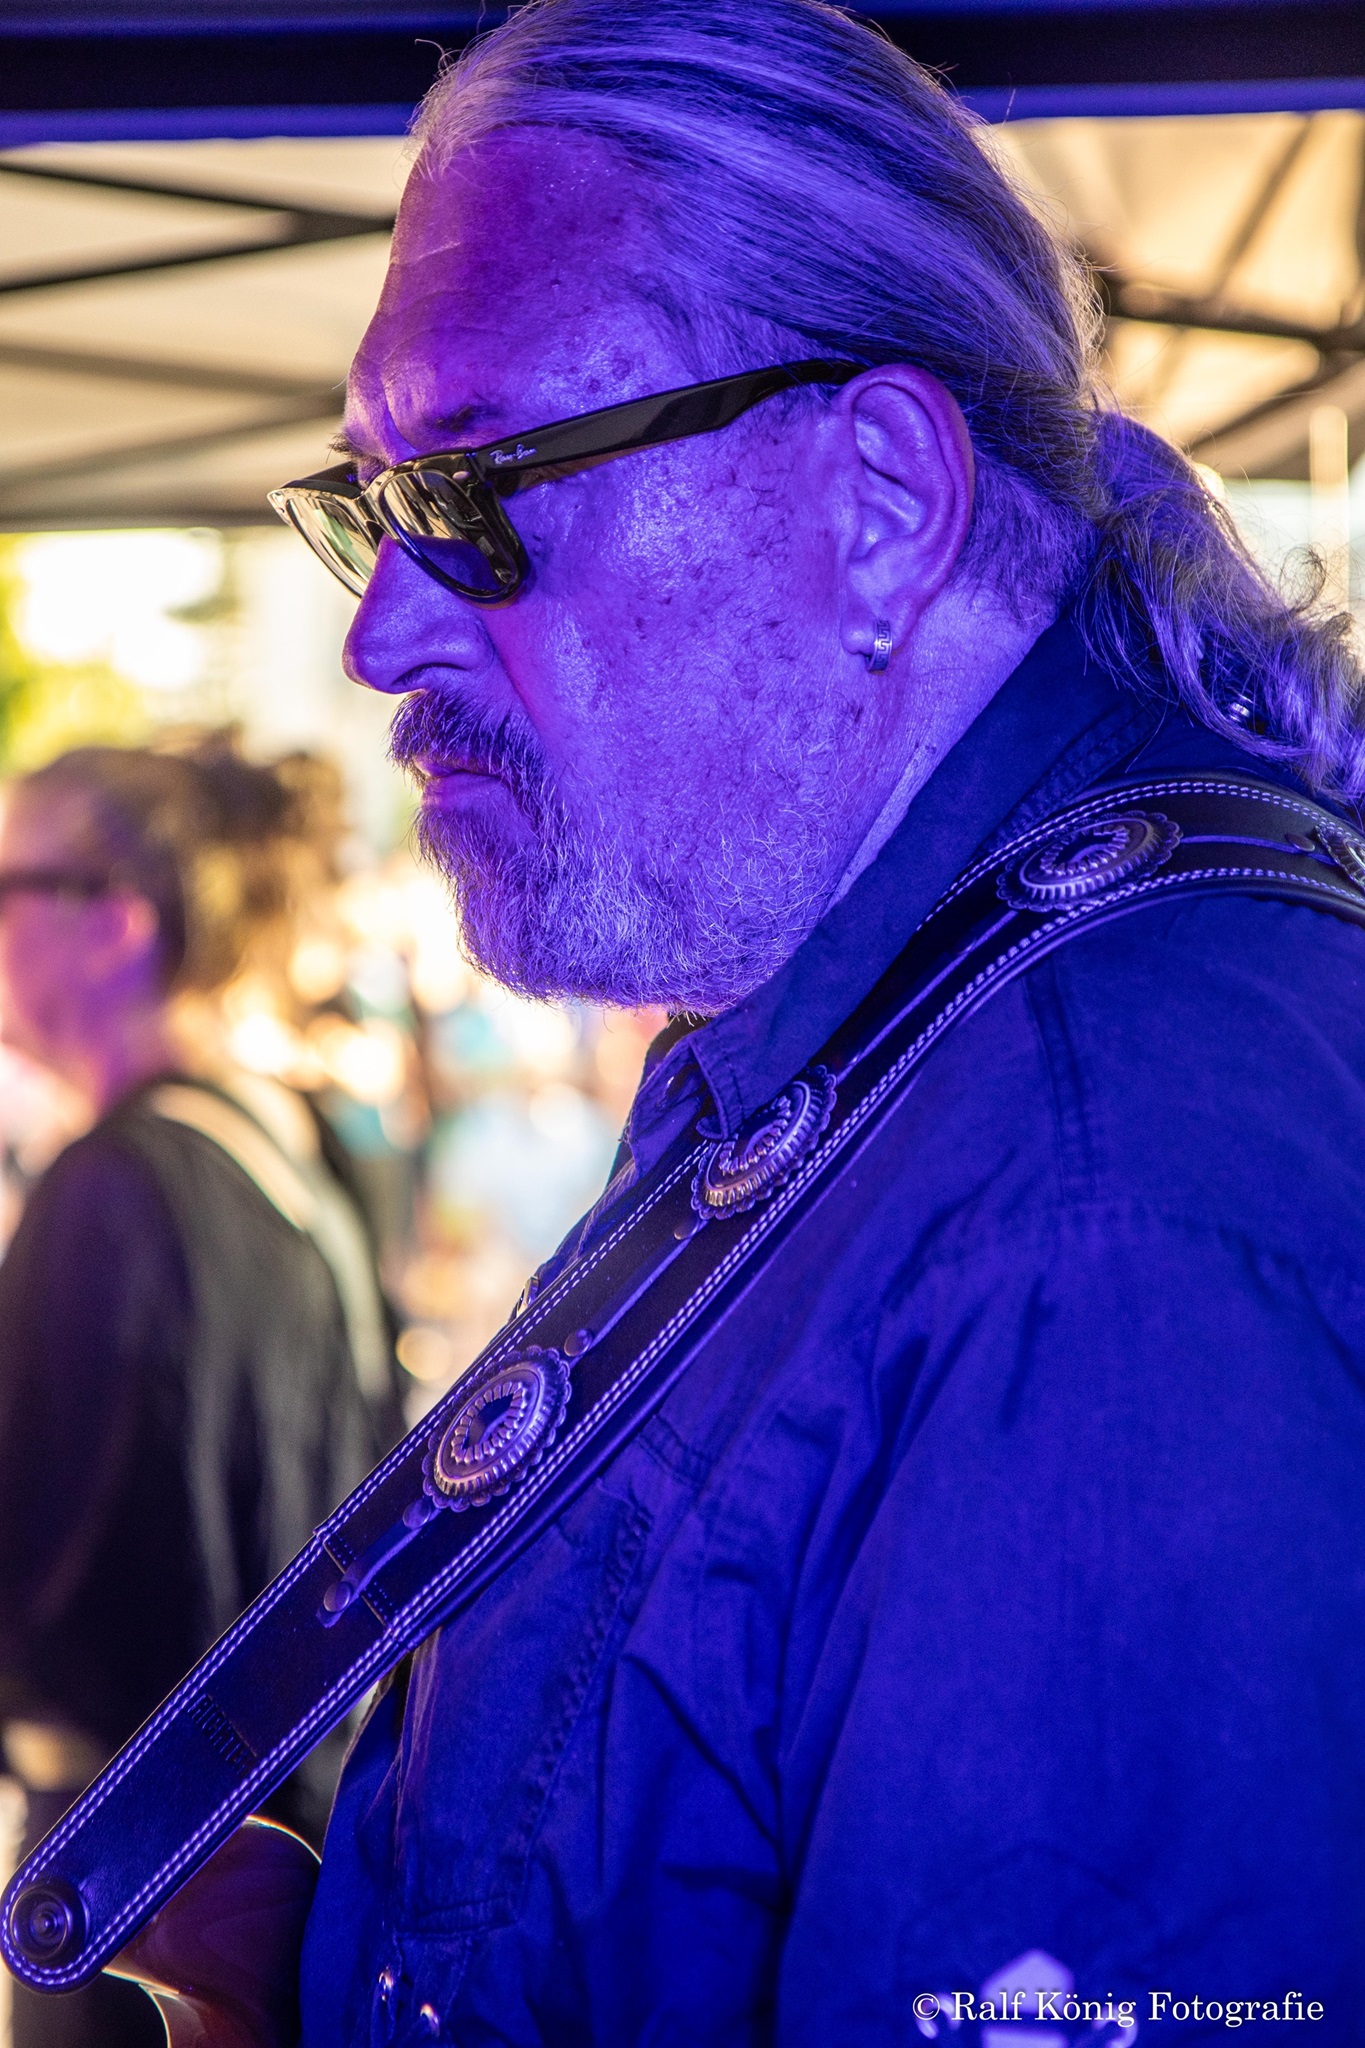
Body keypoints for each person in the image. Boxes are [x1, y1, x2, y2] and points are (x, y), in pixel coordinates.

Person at [267, 1, 1365, 2038]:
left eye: (474, 489)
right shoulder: (896, 1044)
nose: (380, 631)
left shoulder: (1091, 1220)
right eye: (377, 500)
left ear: (874, 501)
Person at [0, 738, 397, 2048]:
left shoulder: (115, 1186)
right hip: (280, 1840)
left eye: (8, 885)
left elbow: (34, 1555)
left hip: (136, 1877)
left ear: (113, 923)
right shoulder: (293, 1138)